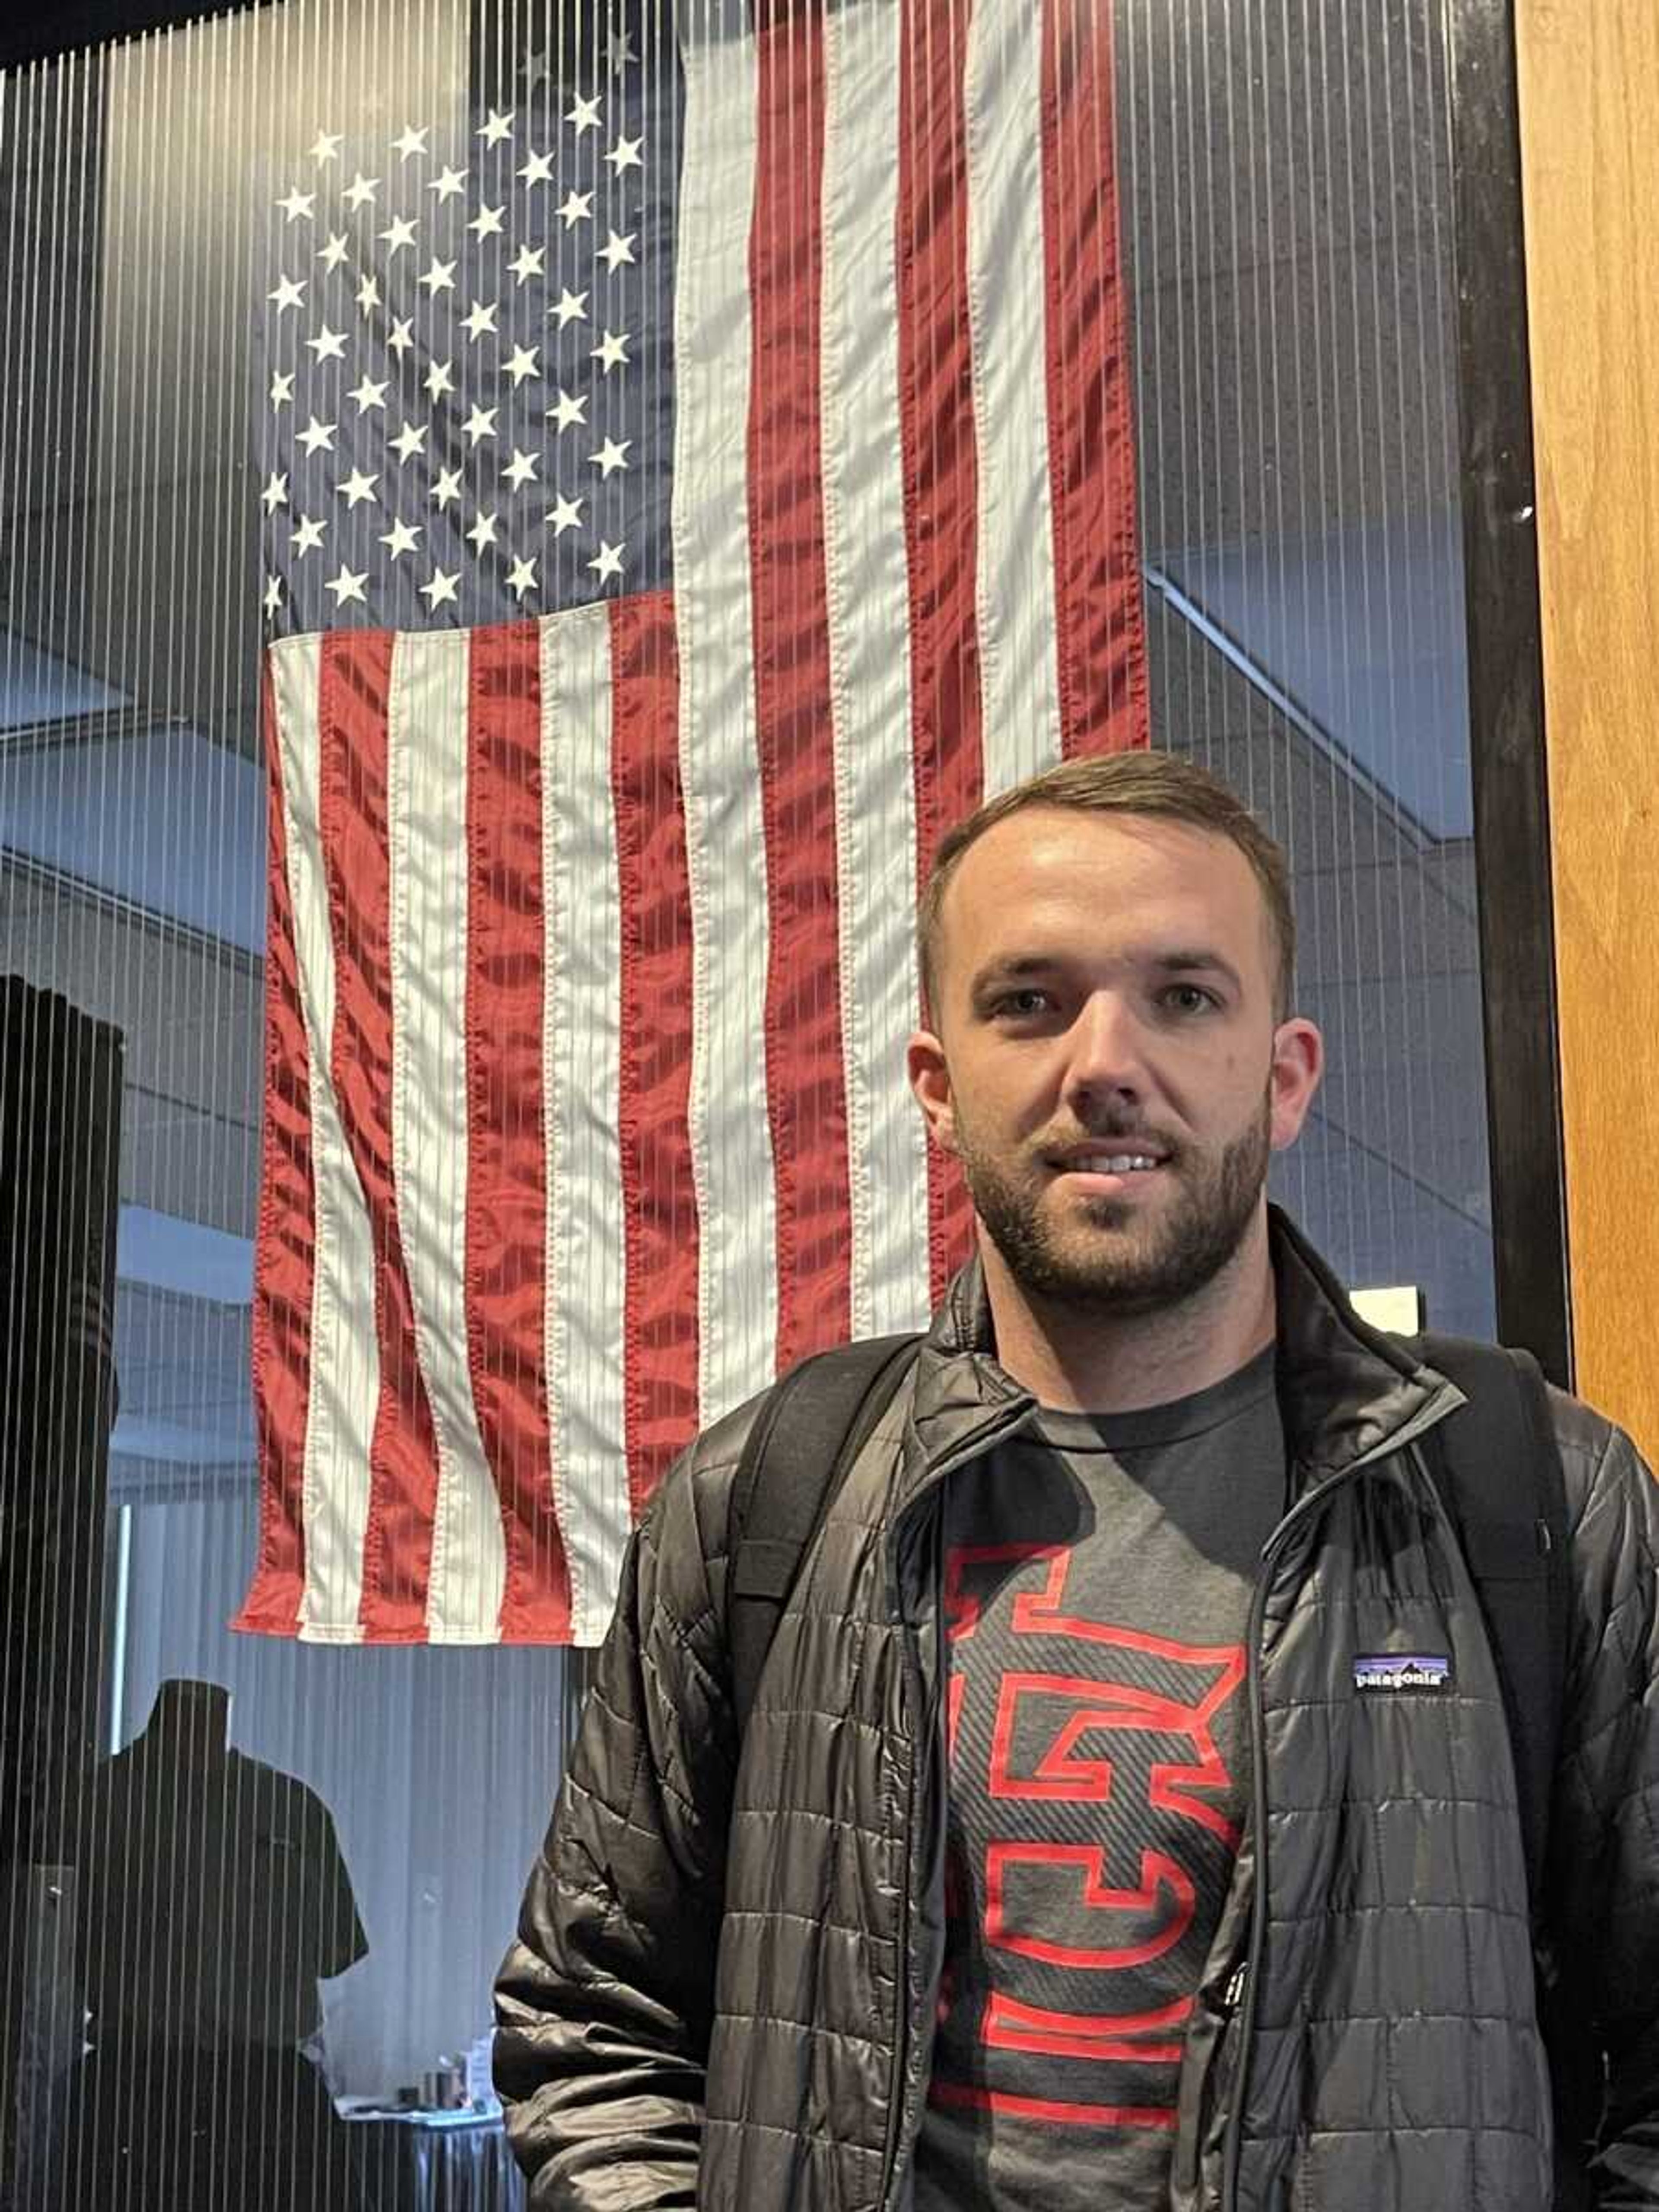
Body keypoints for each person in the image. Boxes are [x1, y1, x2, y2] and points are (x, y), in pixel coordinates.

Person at [493, 752, 1659, 2210]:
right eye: (1029, 1001)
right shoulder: (767, 1499)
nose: (1105, 1062)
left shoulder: (1533, 1494)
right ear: (936, 1083)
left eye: (1183, 996)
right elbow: (595, 2029)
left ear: (1285, 1077)